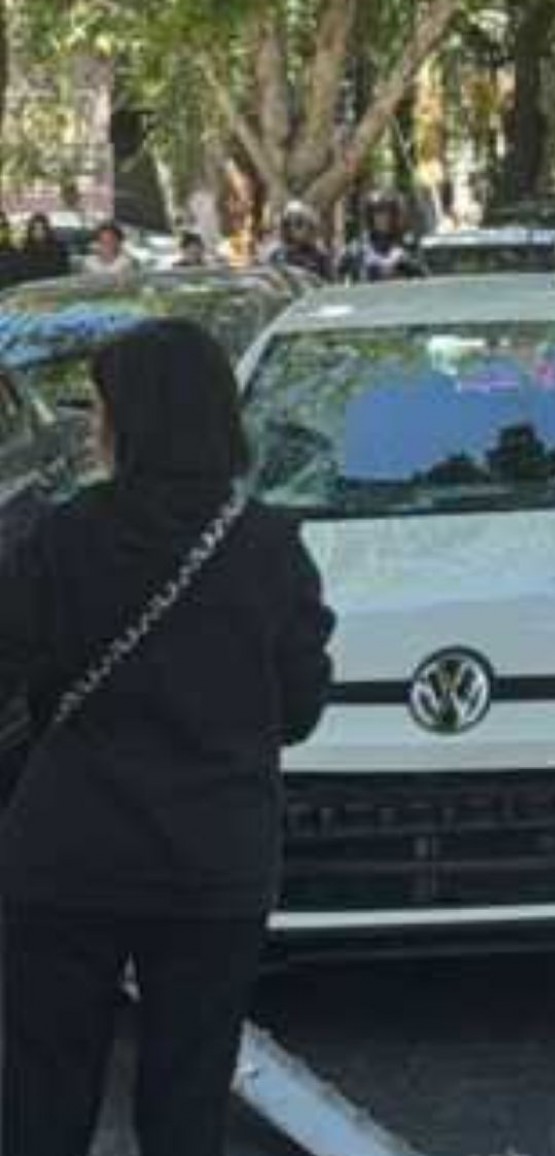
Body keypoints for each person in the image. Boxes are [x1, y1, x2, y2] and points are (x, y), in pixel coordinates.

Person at [0, 317, 335, 1156]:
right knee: (188, 1089)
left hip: (68, 852)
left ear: (133, 422)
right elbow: (298, 708)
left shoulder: (61, 537)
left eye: (102, 411)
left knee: (44, 1085)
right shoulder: (266, 547)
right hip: (212, 854)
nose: (94, 430)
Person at [337, 189, 424, 283]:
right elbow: (340, 274)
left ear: (394, 216)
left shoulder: (407, 247)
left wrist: (405, 266)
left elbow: (422, 279)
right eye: (377, 213)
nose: (382, 218)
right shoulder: (358, 249)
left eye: (387, 212)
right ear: (370, 216)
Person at [266, 201, 334, 281]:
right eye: (287, 223)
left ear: (310, 226)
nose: (292, 228)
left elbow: (330, 285)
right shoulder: (276, 255)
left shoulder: (320, 257)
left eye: (298, 223)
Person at [18, 214, 72, 284]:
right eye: (35, 229)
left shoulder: (60, 248)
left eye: (42, 229)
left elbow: (65, 273)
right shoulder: (24, 250)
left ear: (47, 230)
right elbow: (23, 275)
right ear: (30, 231)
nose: (39, 232)